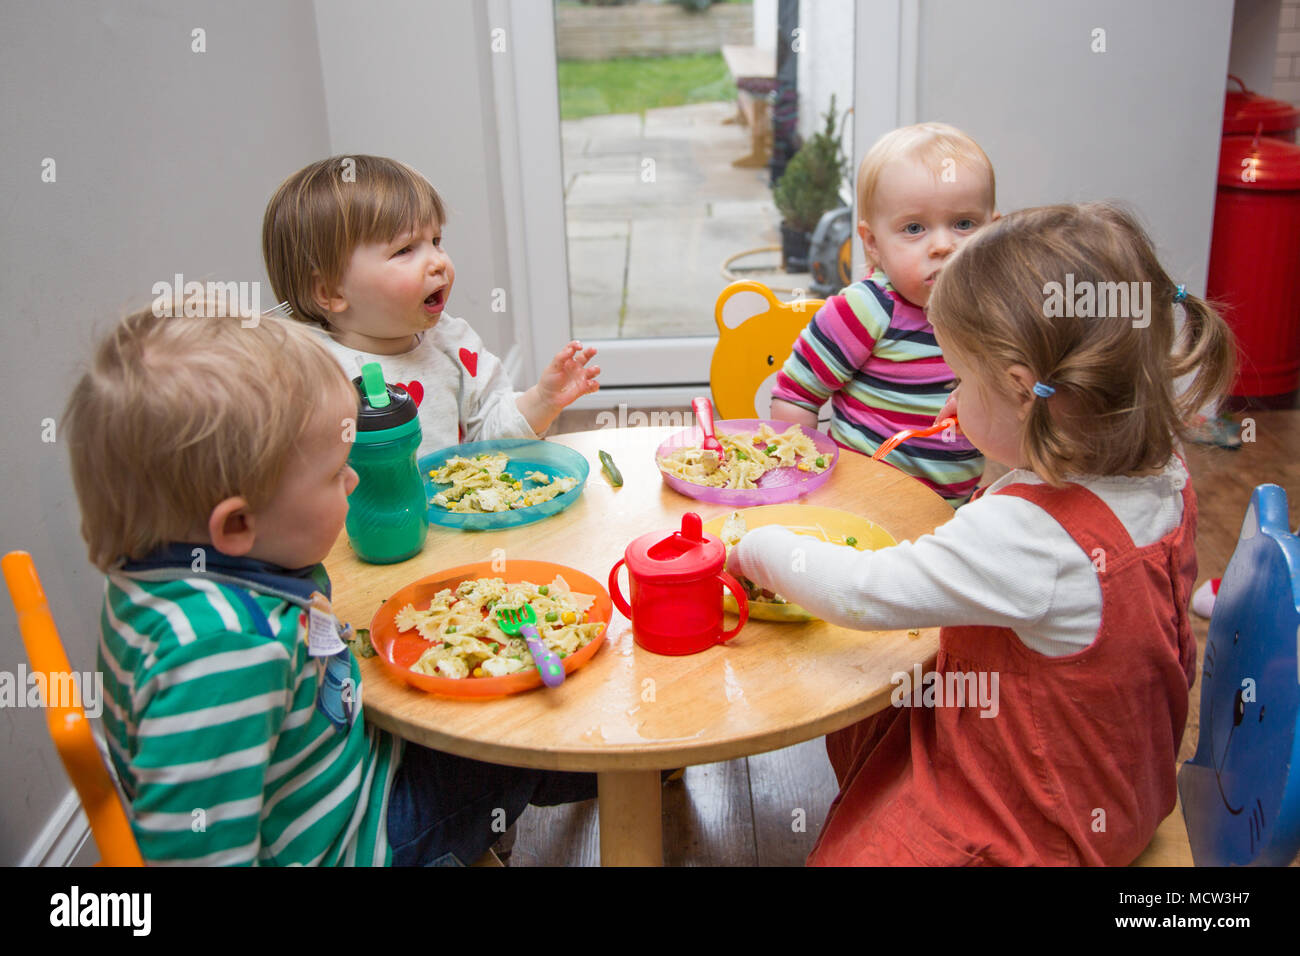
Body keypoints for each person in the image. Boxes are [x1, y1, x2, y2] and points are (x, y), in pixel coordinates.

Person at [729, 203, 1236, 865]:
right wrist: (997, 420)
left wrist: (760, 547)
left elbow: (861, 592)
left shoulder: (1030, 534)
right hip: (1122, 786)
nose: (954, 397)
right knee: (886, 708)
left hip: (1037, 826)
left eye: (962, 379)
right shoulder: (1163, 470)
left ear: (1025, 390)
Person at [64, 307, 596, 865]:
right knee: (510, 743)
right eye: (335, 471)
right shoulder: (227, 655)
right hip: (366, 840)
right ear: (238, 525)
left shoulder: (162, 577)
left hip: (347, 777)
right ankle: (595, 774)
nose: (355, 478)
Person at [262, 154, 599, 458]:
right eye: (405, 250)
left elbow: (489, 442)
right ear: (330, 291)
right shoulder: (300, 370)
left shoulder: (454, 344)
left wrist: (541, 401)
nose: (438, 262)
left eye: (436, 241)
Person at [771, 123, 997, 505]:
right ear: (873, 244)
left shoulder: (997, 312)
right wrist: (799, 482)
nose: (943, 245)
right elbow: (796, 395)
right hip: (864, 504)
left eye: (964, 224)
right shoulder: (866, 311)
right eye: (914, 228)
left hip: (955, 513)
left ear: (994, 230)